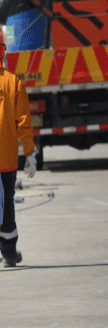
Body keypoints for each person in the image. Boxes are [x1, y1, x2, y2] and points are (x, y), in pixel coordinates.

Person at [0, 38, 36, 267]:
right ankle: (9, 253)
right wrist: (29, 153)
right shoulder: (13, 82)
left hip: (6, 158)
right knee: (6, 206)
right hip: (5, 159)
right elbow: (23, 120)